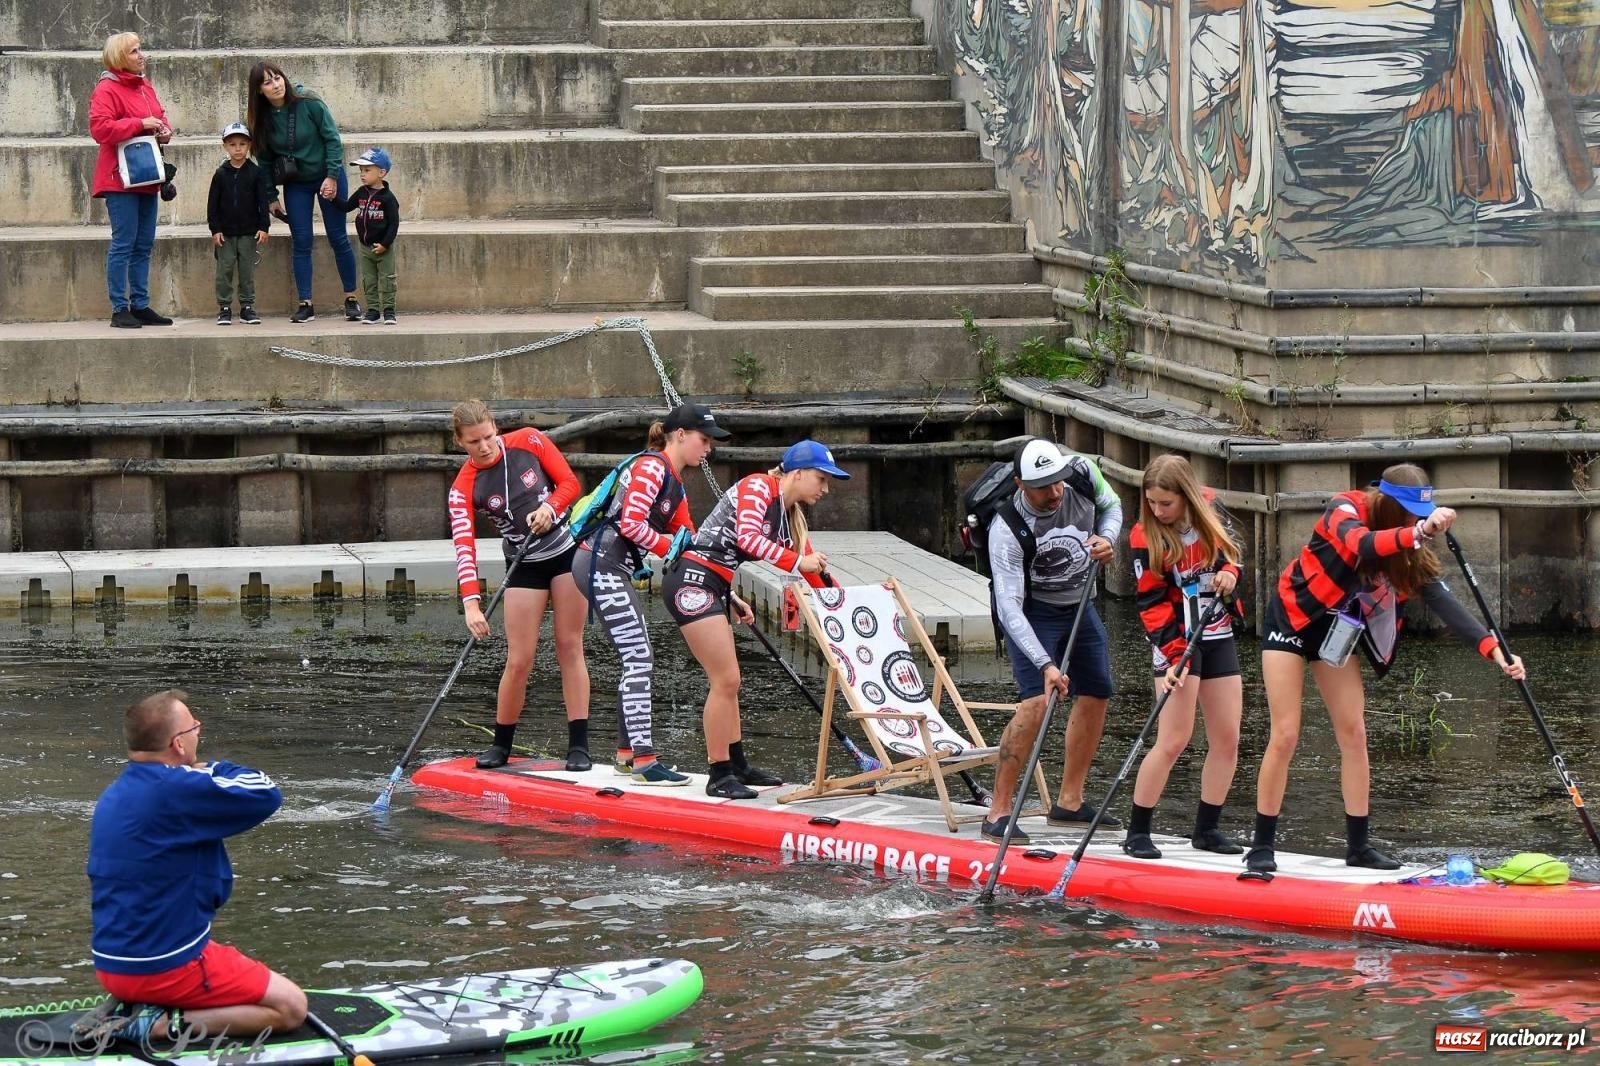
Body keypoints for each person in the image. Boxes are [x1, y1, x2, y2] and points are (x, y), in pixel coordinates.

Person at [1249, 463, 1526, 873]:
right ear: (1390, 504)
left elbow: (1442, 600)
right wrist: (1419, 533)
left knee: (1355, 732)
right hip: (1291, 618)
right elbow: (1361, 545)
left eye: (1419, 515)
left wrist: (1495, 650)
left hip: (1333, 631)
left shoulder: (1408, 545)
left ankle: (1358, 847)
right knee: (1286, 733)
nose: (1415, 521)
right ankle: (1261, 846)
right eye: (1410, 514)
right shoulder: (1346, 508)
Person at [88, 690, 307, 1042]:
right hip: (165, 966)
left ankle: (144, 1003)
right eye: (194, 728)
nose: (198, 733)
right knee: (291, 1007)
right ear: (177, 744)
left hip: (113, 964)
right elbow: (266, 791)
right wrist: (214, 768)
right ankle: (155, 1026)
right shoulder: (177, 788)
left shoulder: (116, 792)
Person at [662, 438, 844, 799]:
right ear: (797, 472)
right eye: (821, 479)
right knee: (725, 679)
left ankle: (739, 765)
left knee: (733, 682)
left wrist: (850, 604)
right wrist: (796, 562)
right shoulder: (757, 486)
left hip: (716, 585)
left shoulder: (791, 517)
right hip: (691, 581)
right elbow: (747, 537)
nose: (826, 488)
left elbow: (817, 577)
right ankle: (718, 775)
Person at [572, 403, 726, 785]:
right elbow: (631, 524)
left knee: (637, 656)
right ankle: (644, 761)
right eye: (704, 440)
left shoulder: (674, 480)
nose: (708, 449)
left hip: (609, 568)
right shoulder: (651, 467)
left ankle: (627, 755)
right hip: (599, 564)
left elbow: (691, 544)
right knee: (639, 656)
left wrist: (726, 591)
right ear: (680, 436)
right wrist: (665, 547)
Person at [981, 438, 1123, 843]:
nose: (1056, 492)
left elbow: (1112, 507)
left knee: (1097, 692)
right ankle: (999, 810)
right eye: (1044, 487)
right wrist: (1046, 664)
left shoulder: (1081, 472)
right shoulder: (1006, 528)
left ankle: (1070, 802)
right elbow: (1008, 607)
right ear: (1020, 484)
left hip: (1081, 603)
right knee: (1038, 703)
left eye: (1058, 482)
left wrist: (1108, 538)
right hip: (1033, 612)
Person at [448, 401, 591, 771]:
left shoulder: (530, 440)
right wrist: (471, 604)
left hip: (565, 554)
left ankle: (579, 745)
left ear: (497, 427)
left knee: (569, 646)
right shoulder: (463, 487)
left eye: (489, 436)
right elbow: (464, 545)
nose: (485, 446)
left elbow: (569, 484)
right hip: (524, 564)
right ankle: (501, 745)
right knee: (519, 660)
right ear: (459, 442)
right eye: (475, 441)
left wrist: (551, 508)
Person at [1122, 454, 1245, 860]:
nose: (1158, 511)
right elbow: (1152, 604)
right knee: (1175, 738)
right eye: (1152, 503)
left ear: (1188, 497)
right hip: (1175, 641)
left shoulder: (1211, 508)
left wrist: (1231, 573)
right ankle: (1138, 831)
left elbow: (1231, 555)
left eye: (1166, 504)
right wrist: (1175, 657)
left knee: (1227, 739)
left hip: (1217, 633)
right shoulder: (1145, 536)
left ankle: (1207, 830)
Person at [245, 62, 362, 323]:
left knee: (338, 237)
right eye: (267, 82)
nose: (275, 84)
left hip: (327, 175)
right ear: (259, 91)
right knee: (301, 240)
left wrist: (332, 176)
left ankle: (351, 298)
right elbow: (264, 162)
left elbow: (332, 139)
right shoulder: (261, 120)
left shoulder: (309, 102)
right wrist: (271, 197)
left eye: (277, 78)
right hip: (296, 181)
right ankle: (305, 303)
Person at [89, 32, 174, 330]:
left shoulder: (144, 86)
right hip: (119, 178)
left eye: (141, 49)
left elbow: (160, 116)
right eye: (135, 51)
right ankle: (119, 308)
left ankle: (139, 305)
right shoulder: (106, 88)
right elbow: (100, 129)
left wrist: (164, 130)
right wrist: (140, 124)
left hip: (146, 176)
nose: (142, 55)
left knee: (143, 244)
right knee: (124, 243)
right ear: (118, 58)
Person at [207, 122, 271, 326]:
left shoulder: (256, 173)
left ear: (249, 145)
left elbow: (263, 201)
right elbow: (212, 204)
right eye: (232, 144)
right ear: (225, 146)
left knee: (246, 271)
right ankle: (224, 307)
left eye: (242, 144)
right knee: (224, 270)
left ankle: (247, 307)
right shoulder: (220, 174)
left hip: (249, 232)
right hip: (225, 233)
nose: (237, 148)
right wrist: (215, 229)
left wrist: (264, 227)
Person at [335, 147, 400, 325]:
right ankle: (372, 310)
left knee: (387, 279)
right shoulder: (362, 193)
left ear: (381, 172)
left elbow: (394, 224)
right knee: (369, 280)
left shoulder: (388, 198)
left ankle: (389, 311)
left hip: (383, 247)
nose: (362, 174)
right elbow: (347, 206)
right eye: (361, 171)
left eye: (367, 170)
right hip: (366, 247)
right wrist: (333, 198)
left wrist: (385, 244)